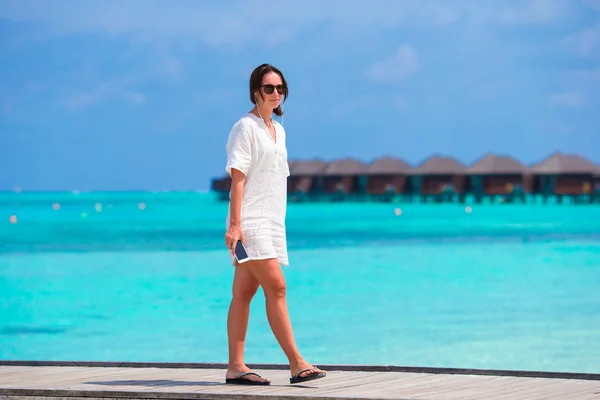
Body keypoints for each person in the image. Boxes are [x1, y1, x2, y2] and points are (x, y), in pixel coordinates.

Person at [223, 63, 327, 386]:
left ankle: (235, 367)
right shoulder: (245, 127)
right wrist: (236, 226)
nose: (276, 94)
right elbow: (238, 179)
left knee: (243, 292)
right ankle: (296, 363)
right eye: (269, 88)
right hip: (250, 223)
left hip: (270, 222)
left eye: (280, 88)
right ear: (256, 91)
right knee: (277, 287)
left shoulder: (278, 130)